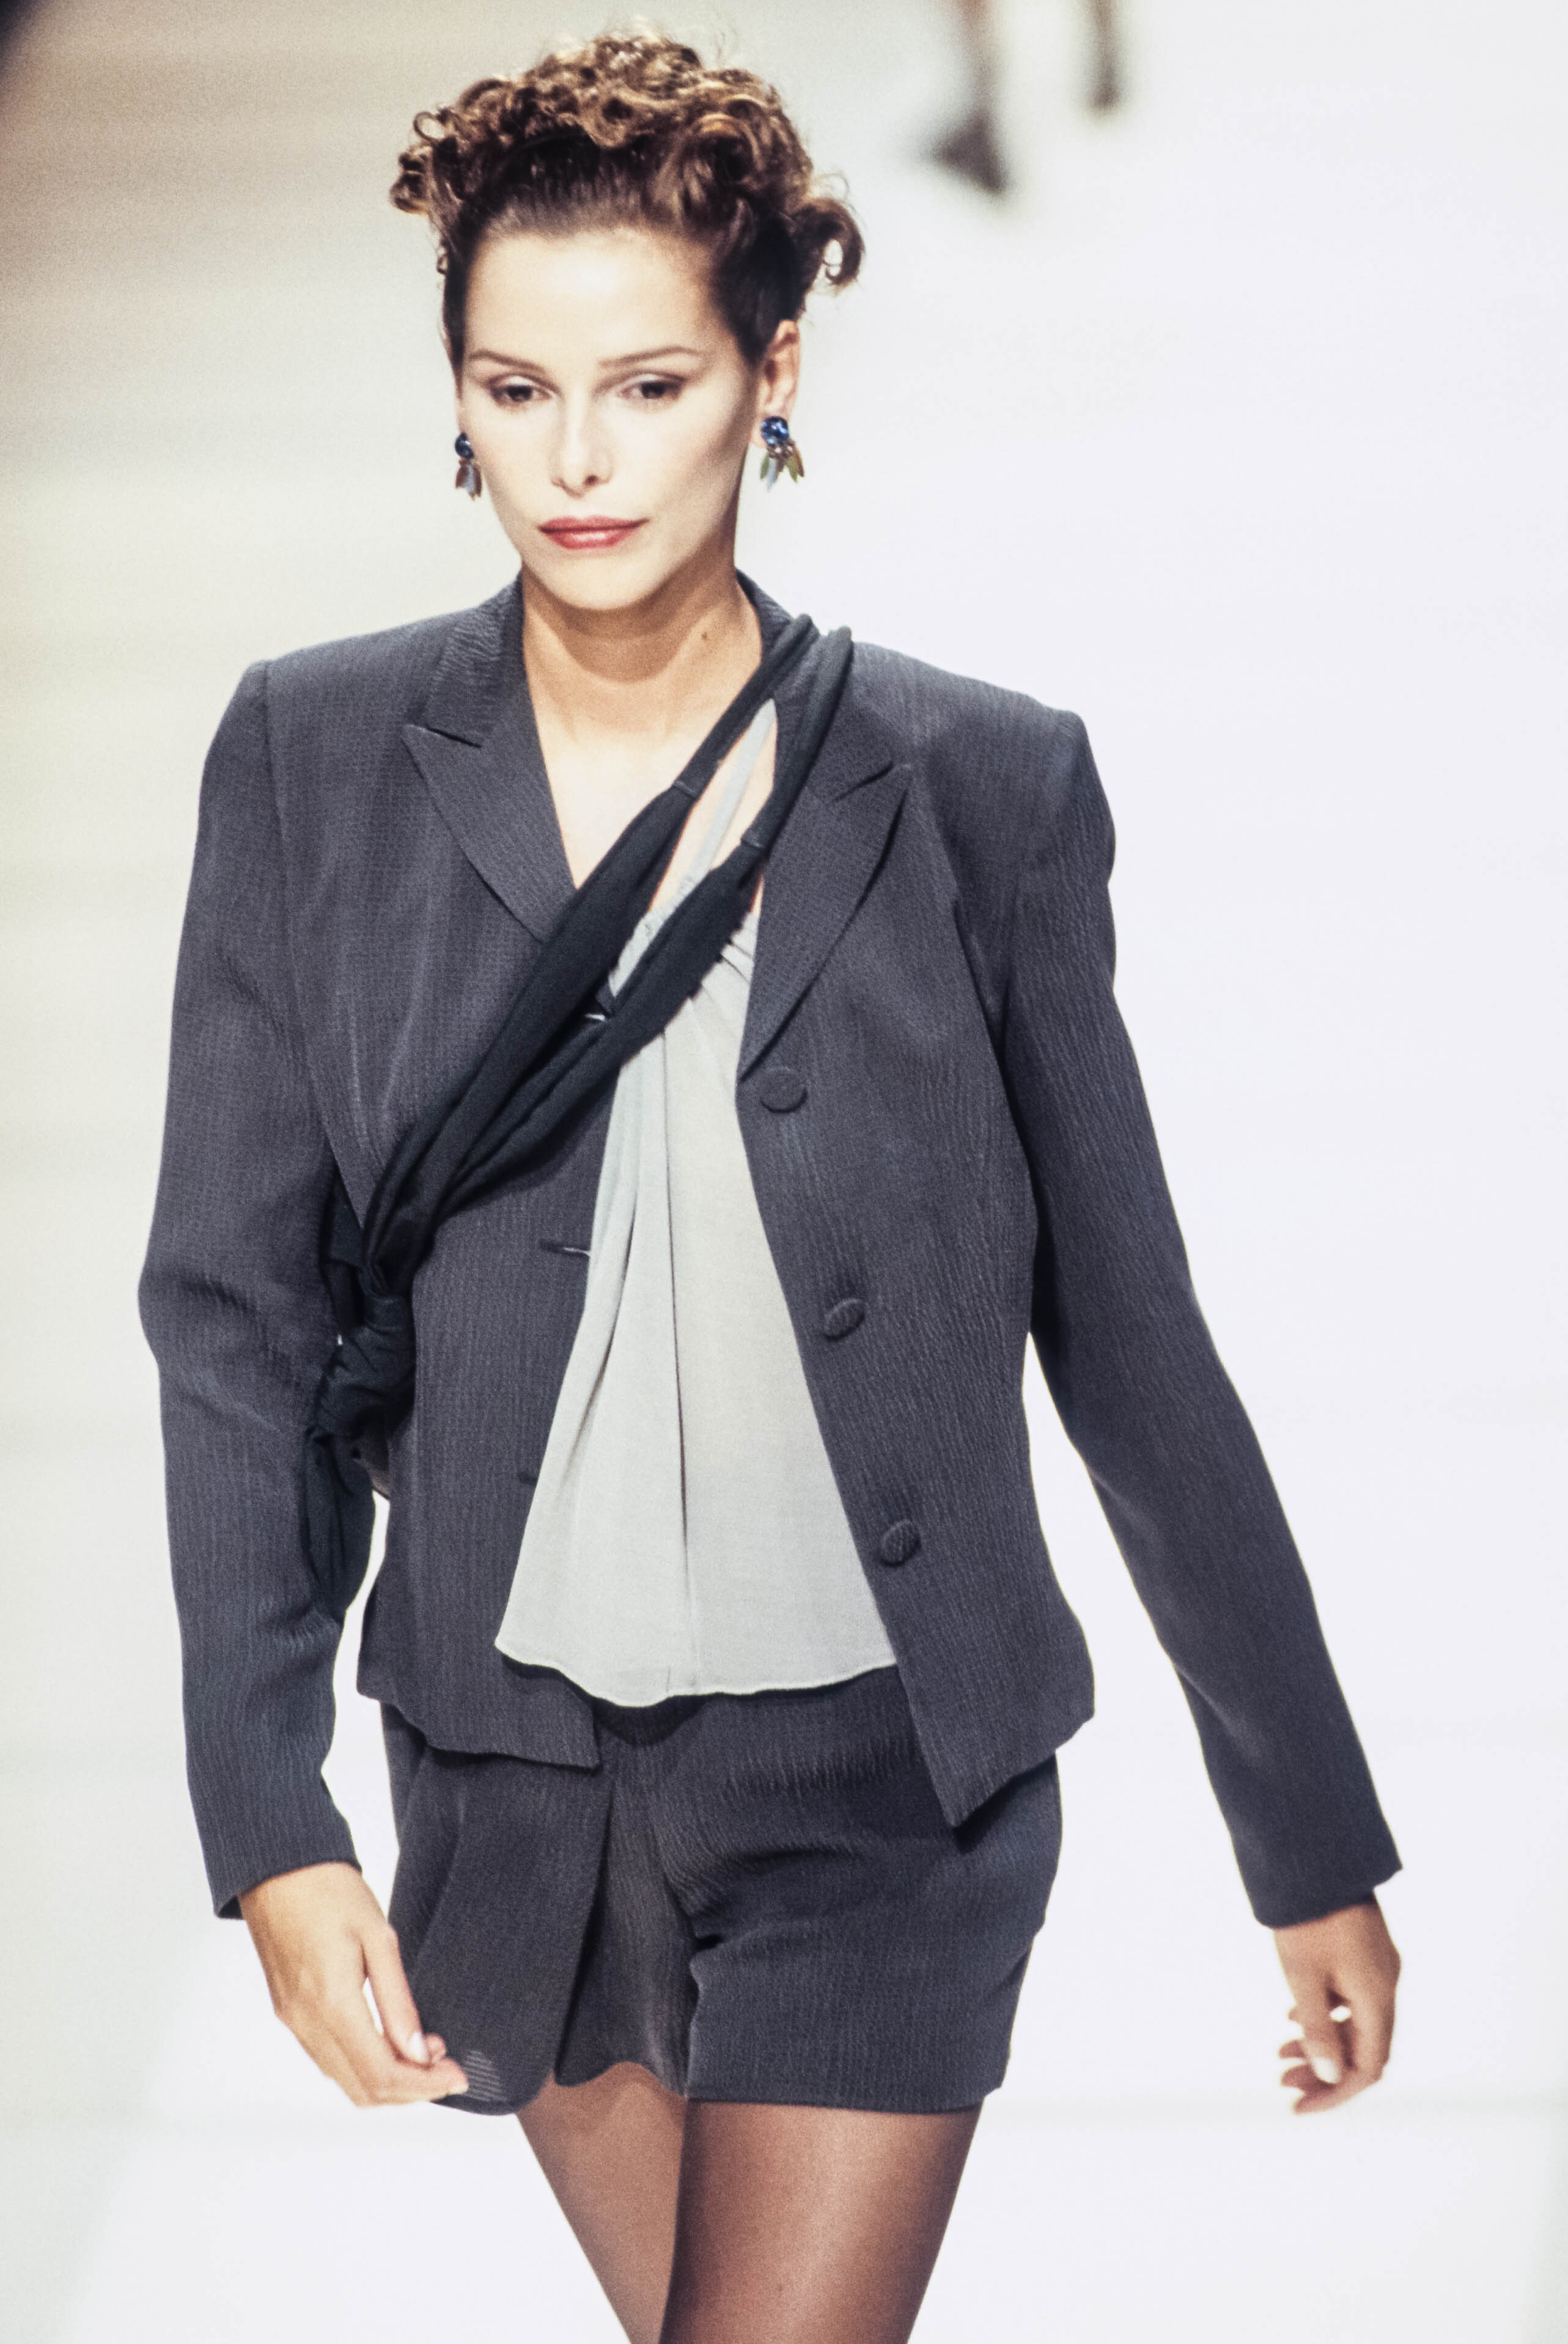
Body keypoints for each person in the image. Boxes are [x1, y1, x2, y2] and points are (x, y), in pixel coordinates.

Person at [139, 32, 1401, 2344]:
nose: (579, 459)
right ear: (455, 392)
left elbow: (1131, 1338)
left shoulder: (977, 786)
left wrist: (1304, 1828)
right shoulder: (316, 762)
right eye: (516, 390)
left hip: (879, 1781)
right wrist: (269, 1815)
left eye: (649, 384)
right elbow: (234, 1321)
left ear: (775, 368)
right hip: (519, 1785)